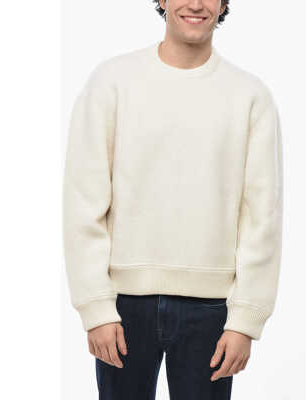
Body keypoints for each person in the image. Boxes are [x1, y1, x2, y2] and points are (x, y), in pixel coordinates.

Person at [62, 1, 283, 398]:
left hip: (212, 310)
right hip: (123, 306)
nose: (195, 4)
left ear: (224, 3)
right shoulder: (112, 82)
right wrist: (95, 306)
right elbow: (84, 202)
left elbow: (262, 217)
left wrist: (245, 320)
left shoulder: (250, 96)